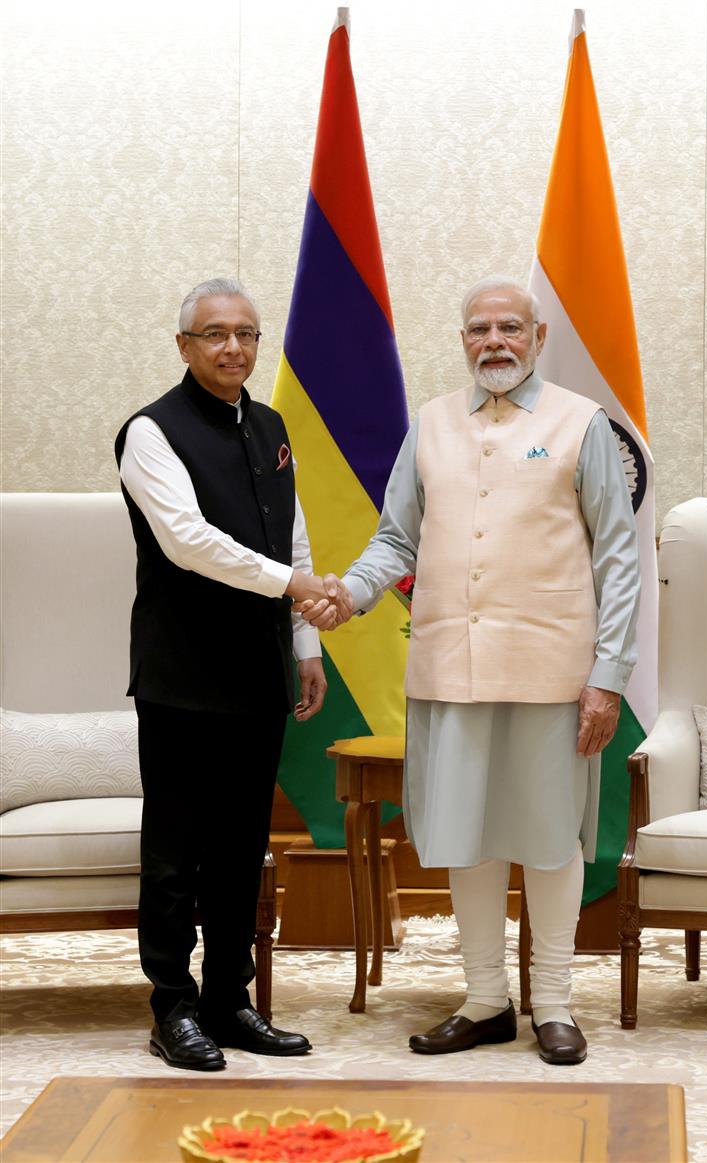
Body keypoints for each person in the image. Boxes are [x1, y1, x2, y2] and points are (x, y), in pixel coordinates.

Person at [302, 276, 640, 1065]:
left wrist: (610, 675)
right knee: (468, 838)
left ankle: (553, 1001)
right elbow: (396, 539)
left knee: (552, 840)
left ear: (538, 336)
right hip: (450, 670)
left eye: (510, 327)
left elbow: (619, 559)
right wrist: (347, 595)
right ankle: (486, 999)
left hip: (555, 673)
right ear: (462, 339)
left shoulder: (581, 424)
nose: (495, 341)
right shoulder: (430, 425)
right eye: (479, 328)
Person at [115, 277, 350, 1071]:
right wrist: (292, 587)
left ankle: (229, 999)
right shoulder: (150, 431)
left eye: (246, 334)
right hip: (180, 676)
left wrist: (306, 646)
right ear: (183, 345)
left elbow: (296, 535)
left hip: (258, 674)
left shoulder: (271, 423)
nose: (232, 348)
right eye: (214, 334)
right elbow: (185, 540)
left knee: (242, 847)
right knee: (176, 852)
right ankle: (172, 1007)